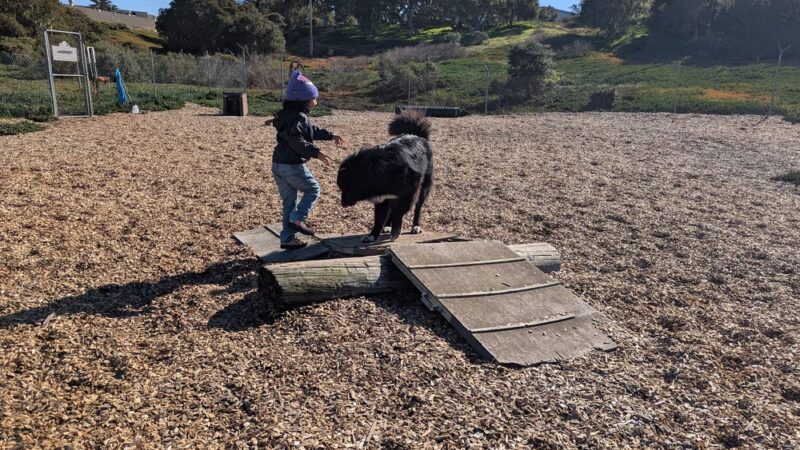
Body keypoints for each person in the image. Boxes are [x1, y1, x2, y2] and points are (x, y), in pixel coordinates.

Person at [271, 70, 344, 250]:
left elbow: (309, 132)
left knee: (289, 202)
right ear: (305, 100)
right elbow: (298, 140)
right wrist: (317, 153)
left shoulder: (289, 114)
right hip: (291, 165)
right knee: (313, 189)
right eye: (314, 98)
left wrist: (330, 135)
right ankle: (298, 218)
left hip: (278, 164)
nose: (316, 102)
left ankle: (287, 238)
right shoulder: (299, 117)